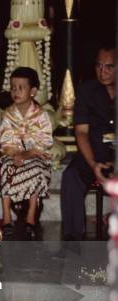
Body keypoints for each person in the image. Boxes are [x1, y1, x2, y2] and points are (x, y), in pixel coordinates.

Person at [61, 46, 115, 240]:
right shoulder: (86, 91)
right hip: (93, 152)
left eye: (109, 67)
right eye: (99, 66)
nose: (103, 72)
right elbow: (81, 132)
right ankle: (73, 240)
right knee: (70, 176)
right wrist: (93, 164)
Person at [0, 67, 53, 240]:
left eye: (21, 87)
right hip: (13, 156)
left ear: (33, 91)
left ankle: (30, 217)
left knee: (37, 169)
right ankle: (6, 218)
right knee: (7, 168)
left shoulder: (41, 115)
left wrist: (27, 154)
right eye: (13, 87)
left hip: (35, 157)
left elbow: (44, 142)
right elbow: (5, 140)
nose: (16, 91)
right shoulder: (8, 113)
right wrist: (15, 154)